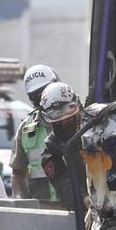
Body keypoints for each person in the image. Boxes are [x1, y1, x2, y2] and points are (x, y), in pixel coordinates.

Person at [10, 64, 58, 199]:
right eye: (36, 96)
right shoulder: (25, 129)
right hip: (41, 210)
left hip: (77, 209)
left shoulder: (78, 121)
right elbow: (18, 173)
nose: (43, 99)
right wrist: (21, 202)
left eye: (45, 92)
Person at [39, 82, 87, 211]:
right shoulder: (51, 154)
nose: (65, 122)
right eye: (59, 122)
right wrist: (87, 199)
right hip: (88, 215)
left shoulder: (96, 130)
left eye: (69, 118)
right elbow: (69, 193)